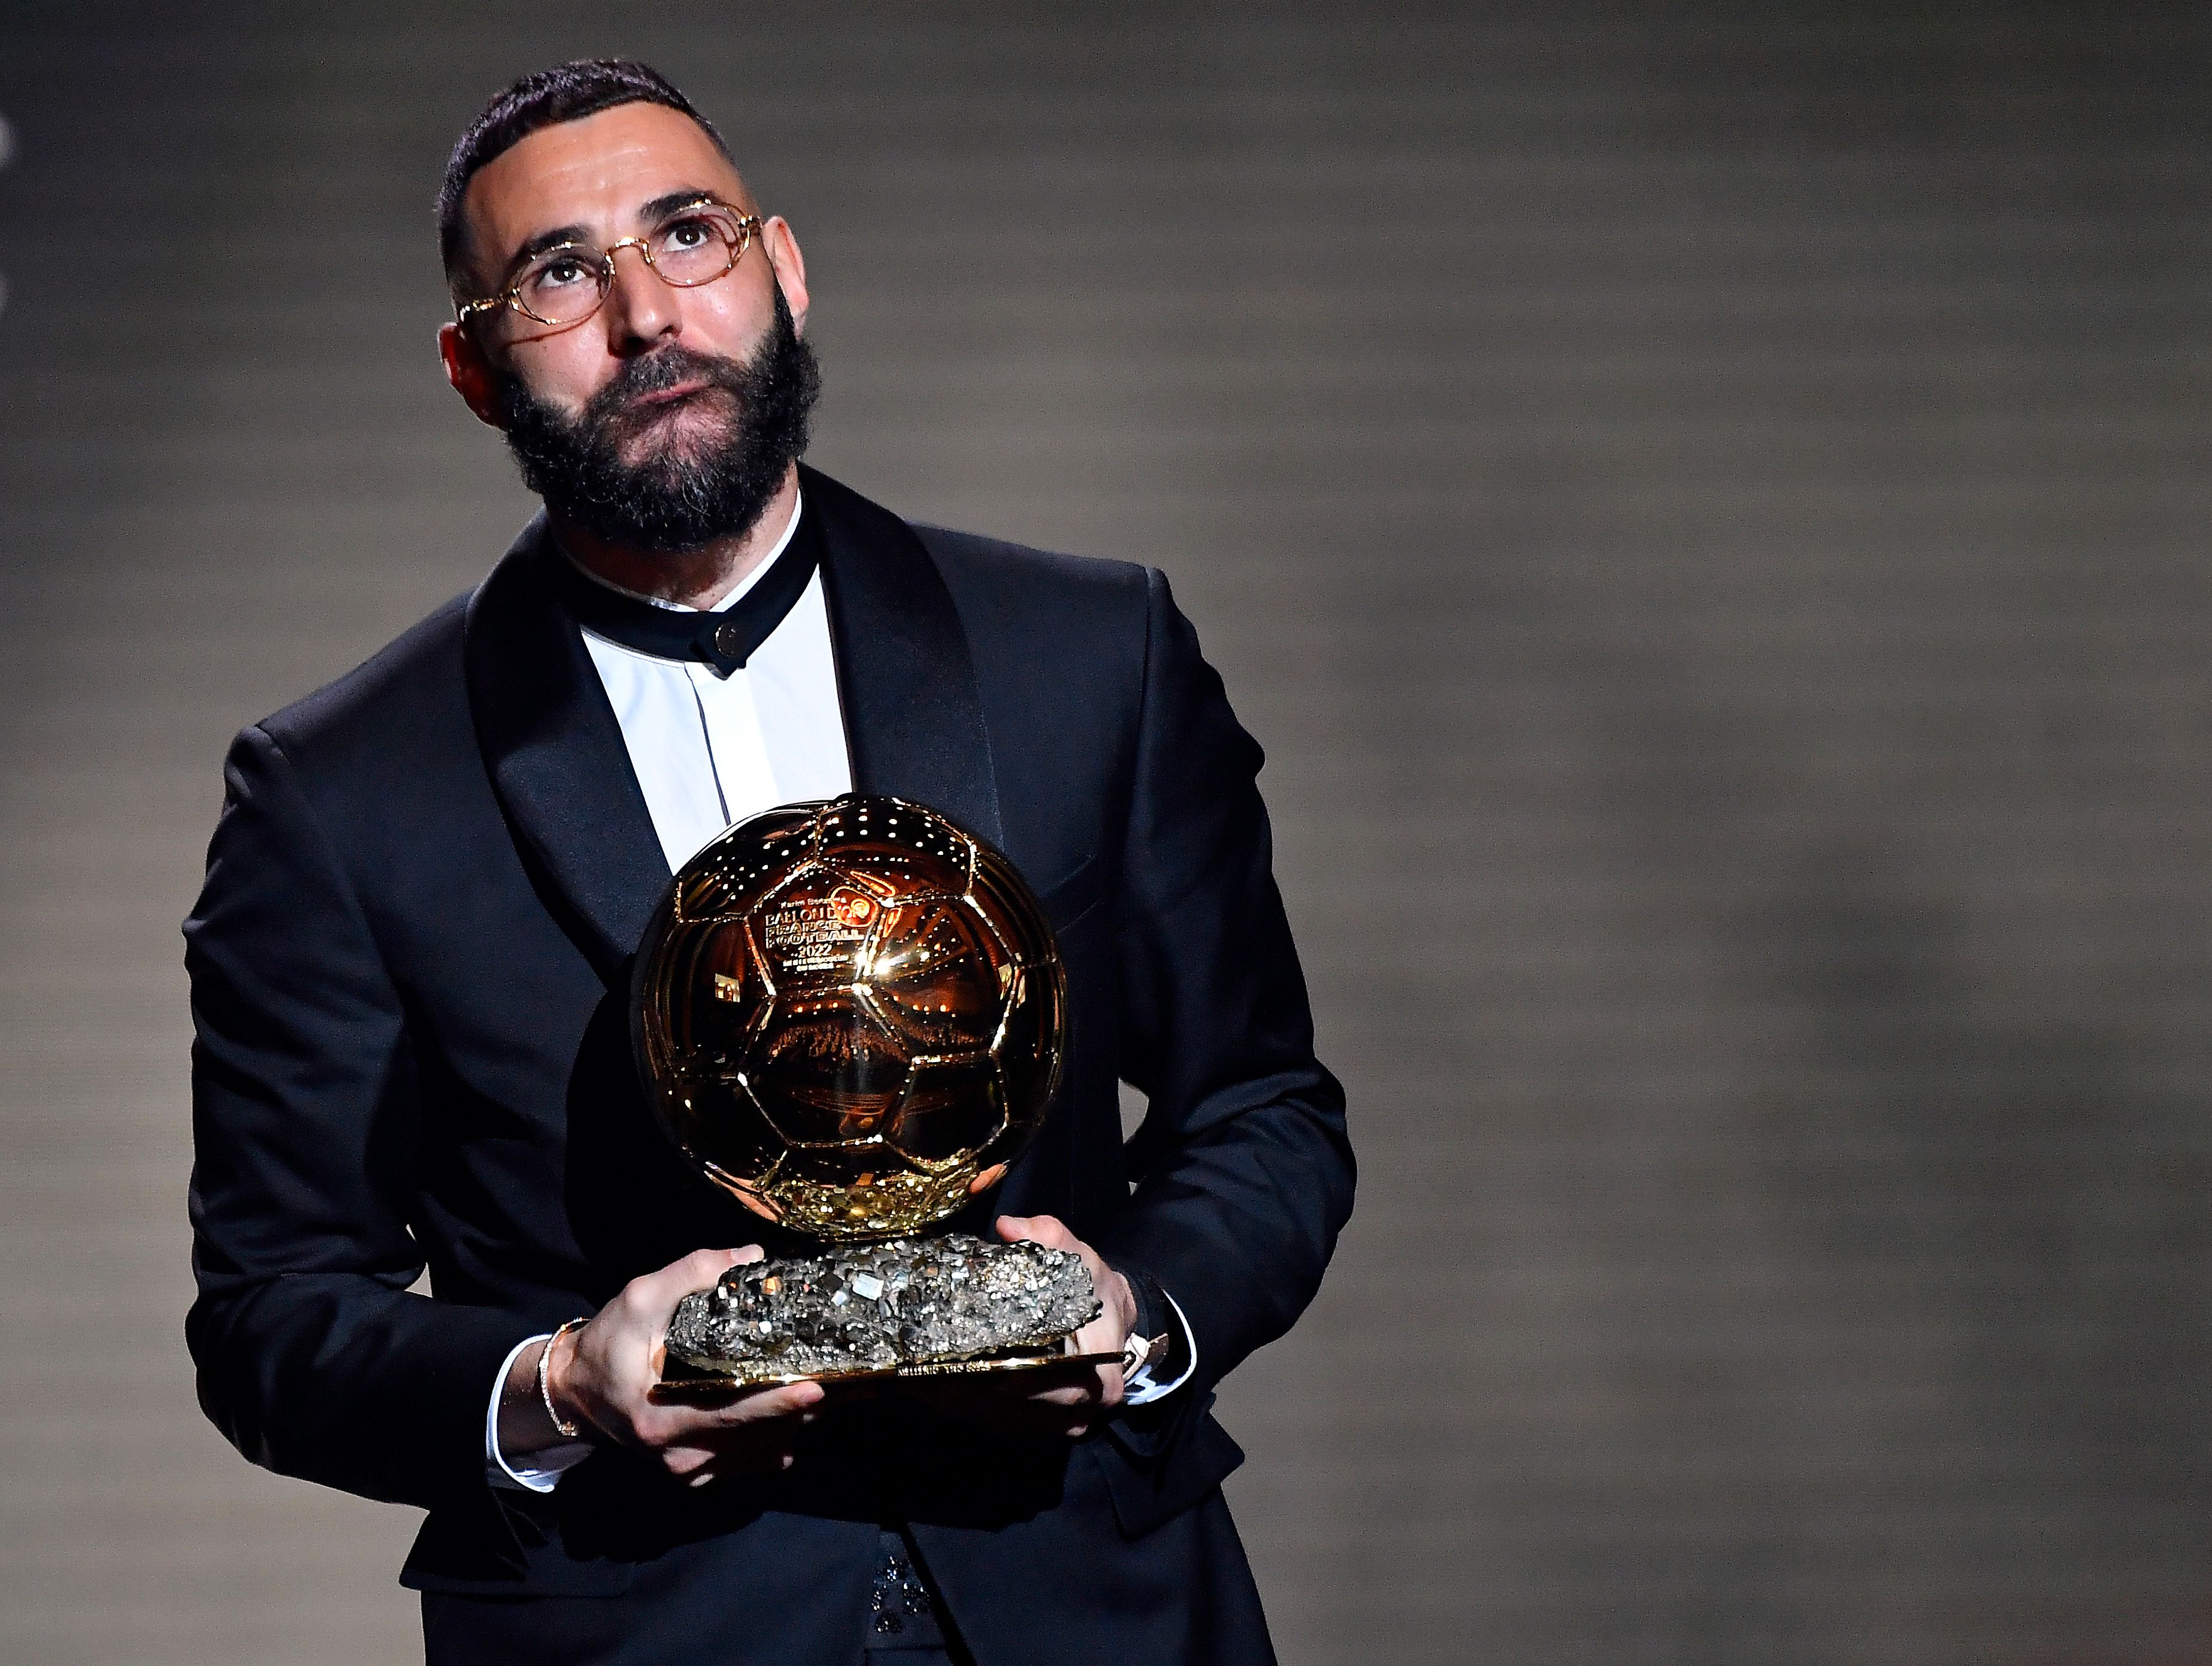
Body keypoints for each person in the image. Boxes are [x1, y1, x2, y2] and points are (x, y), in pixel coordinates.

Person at [182, 59, 1352, 1666]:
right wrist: (558, 1385)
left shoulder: (1093, 653)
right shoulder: (335, 792)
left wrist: (1142, 1321)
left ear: (781, 271)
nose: (646, 315)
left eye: (686, 237)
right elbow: (269, 1319)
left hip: (1102, 1606)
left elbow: (1265, 1114)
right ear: (472, 367)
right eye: (559, 275)